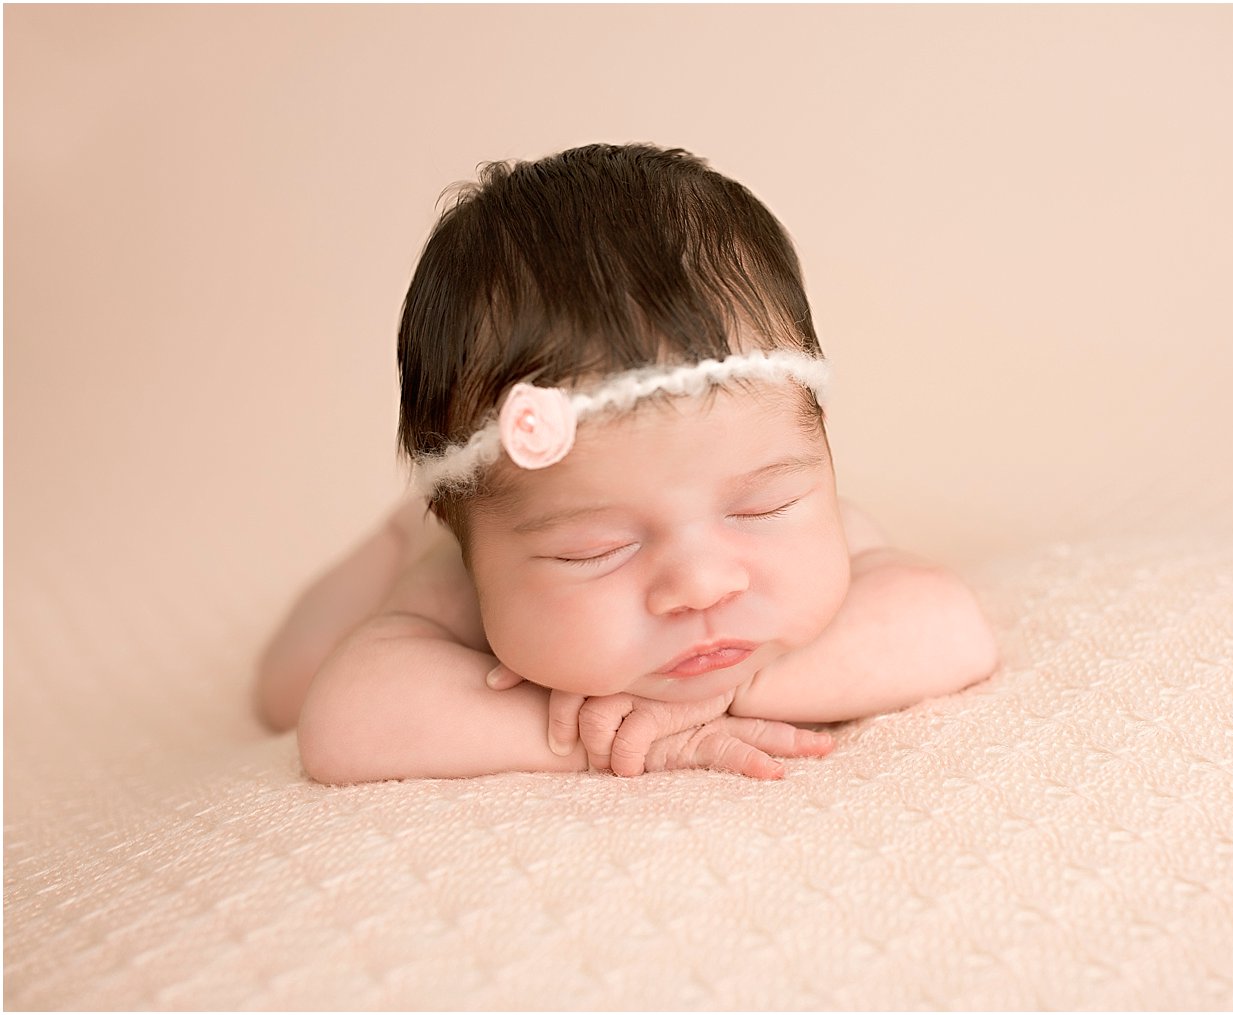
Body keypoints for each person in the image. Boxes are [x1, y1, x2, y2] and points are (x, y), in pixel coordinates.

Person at [256, 144, 999, 785]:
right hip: (411, 548)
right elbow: (342, 720)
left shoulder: (827, 533)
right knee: (283, 687)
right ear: (469, 536)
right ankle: (395, 528)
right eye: (597, 549)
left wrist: (718, 695)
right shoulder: (454, 580)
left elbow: (950, 628)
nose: (703, 584)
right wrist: (593, 743)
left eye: (759, 509)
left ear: (819, 445)